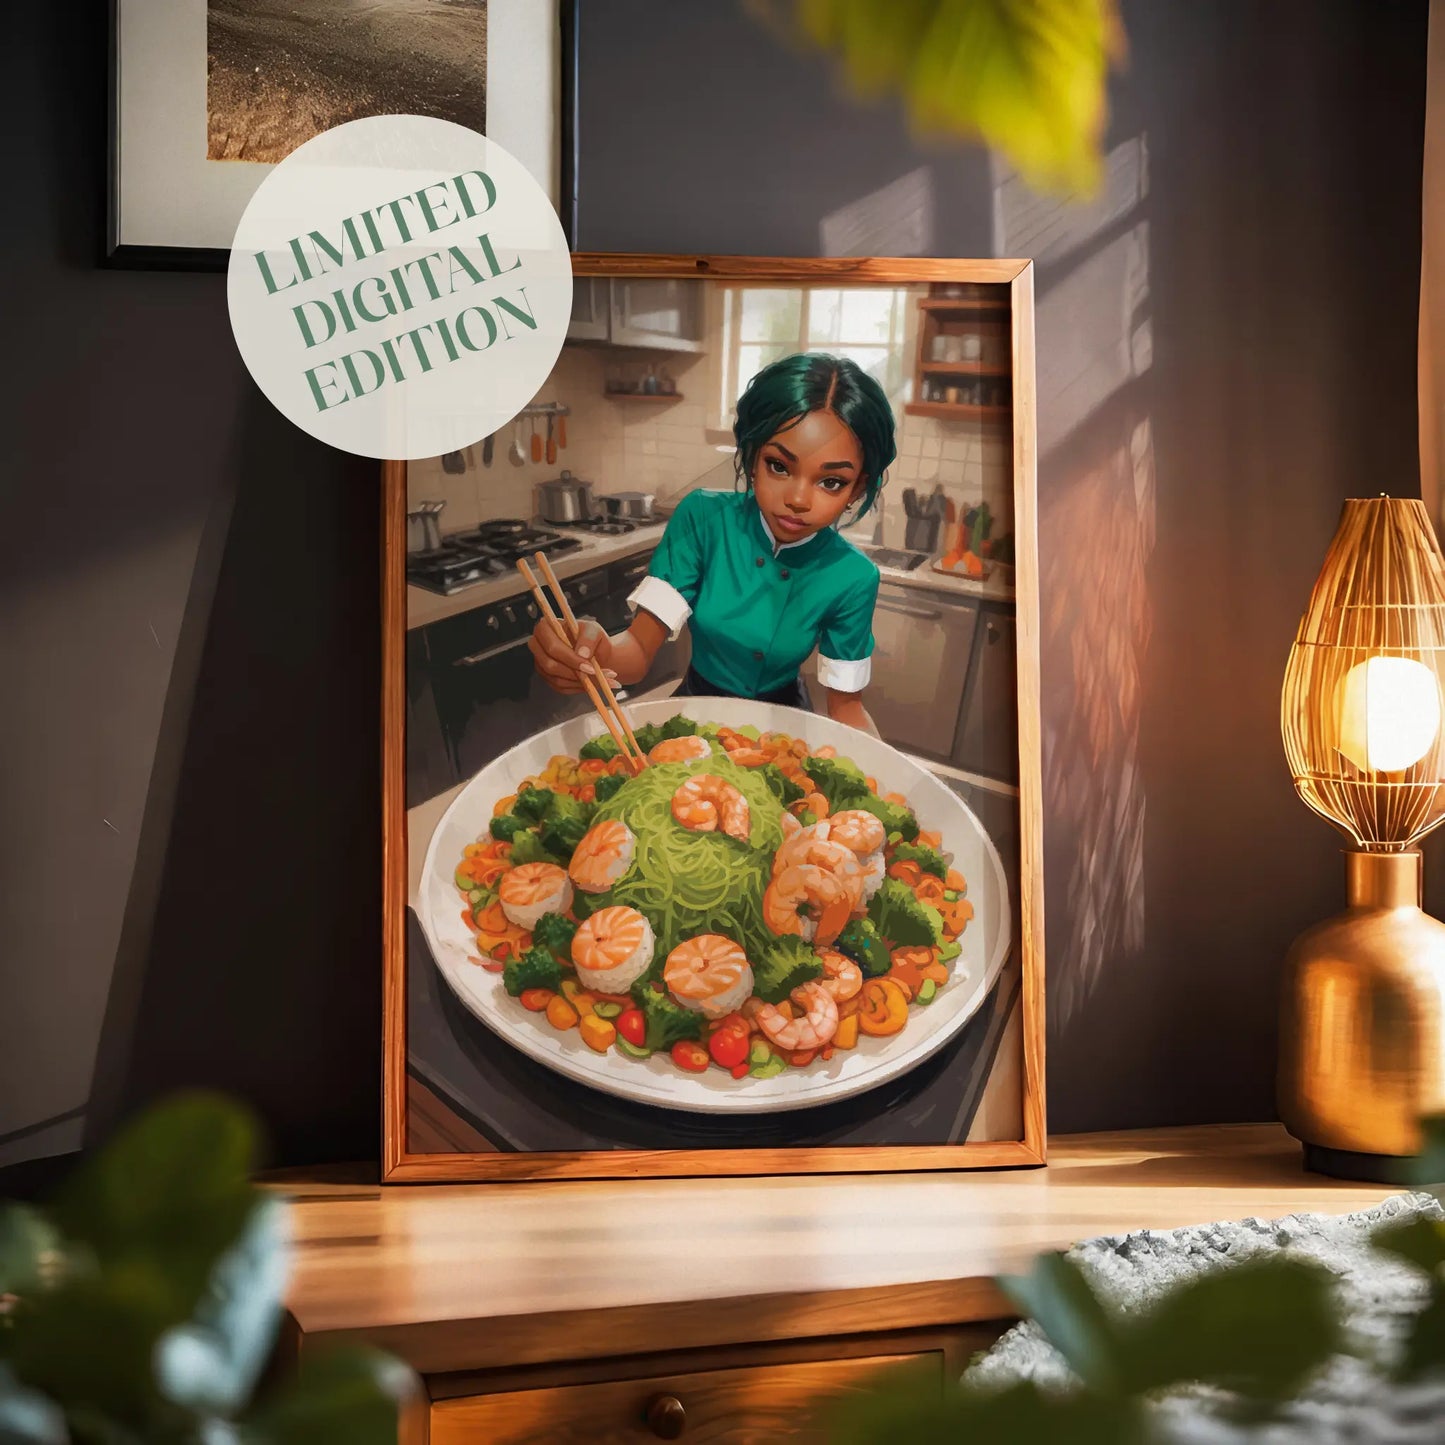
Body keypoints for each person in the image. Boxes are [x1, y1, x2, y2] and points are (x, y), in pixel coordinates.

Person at [529, 352, 894, 733]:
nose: (798, 500)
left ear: (857, 489)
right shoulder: (704, 519)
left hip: (782, 728)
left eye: (830, 482)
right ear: (752, 457)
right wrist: (594, 650)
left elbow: (847, 709)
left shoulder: (852, 576)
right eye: (779, 466)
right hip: (693, 714)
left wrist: (883, 777)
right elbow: (637, 652)